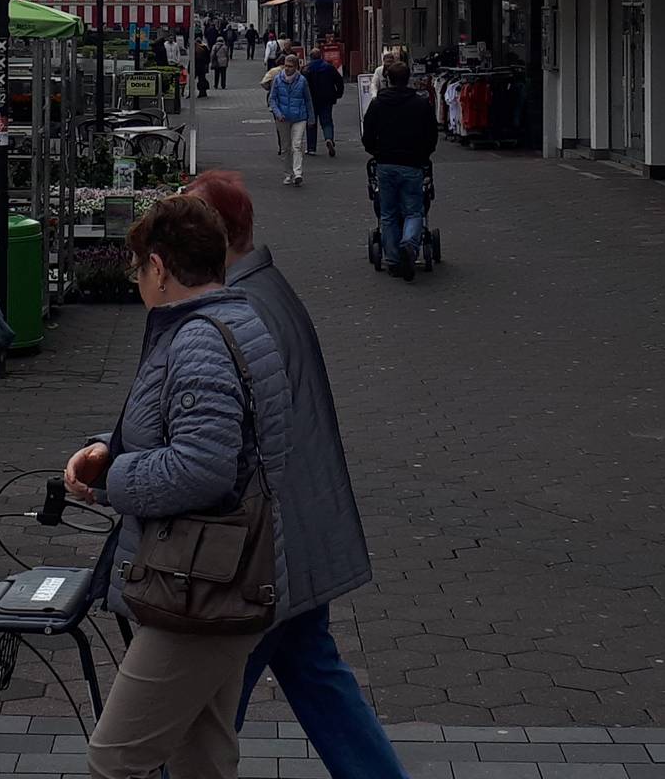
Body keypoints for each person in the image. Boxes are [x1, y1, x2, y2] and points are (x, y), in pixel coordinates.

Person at [186, 172, 405, 779]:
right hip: (298, 540)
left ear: (216, 234)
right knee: (315, 676)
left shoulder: (240, 310)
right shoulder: (263, 289)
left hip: (264, 553)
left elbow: (224, 441)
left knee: (192, 711)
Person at [62, 196, 286, 779]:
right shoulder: (235, 321)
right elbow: (214, 439)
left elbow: (201, 467)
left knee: (114, 758)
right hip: (225, 574)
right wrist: (111, 447)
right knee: (202, 752)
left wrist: (112, 478)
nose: (138, 280)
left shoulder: (198, 339)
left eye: (139, 268)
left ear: (158, 268)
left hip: (198, 585)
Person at [358, 65, 436, 282]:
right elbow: (431, 134)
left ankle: (393, 260)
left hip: (386, 164)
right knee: (413, 210)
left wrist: (377, 152)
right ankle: (409, 244)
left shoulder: (378, 104)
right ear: (408, 79)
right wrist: (423, 154)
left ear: (387, 79)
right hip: (413, 164)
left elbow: (368, 136)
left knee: (388, 213)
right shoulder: (421, 104)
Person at [264, 45, 312, 186]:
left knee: (296, 145)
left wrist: (311, 118)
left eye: (290, 66)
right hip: (283, 118)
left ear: (296, 67)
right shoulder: (278, 80)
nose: (287, 68)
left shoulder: (302, 81)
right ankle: (288, 174)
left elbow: (308, 100)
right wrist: (278, 113)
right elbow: (272, 99)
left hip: (299, 117)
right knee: (285, 148)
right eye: (285, 66)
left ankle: (298, 173)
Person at [303, 47, 345, 157]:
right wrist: (338, 94)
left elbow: (302, 85)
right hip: (327, 99)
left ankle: (311, 148)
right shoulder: (329, 67)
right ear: (321, 56)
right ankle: (329, 138)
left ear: (310, 57)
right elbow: (339, 81)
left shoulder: (306, 69)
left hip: (311, 100)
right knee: (327, 121)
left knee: (311, 122)